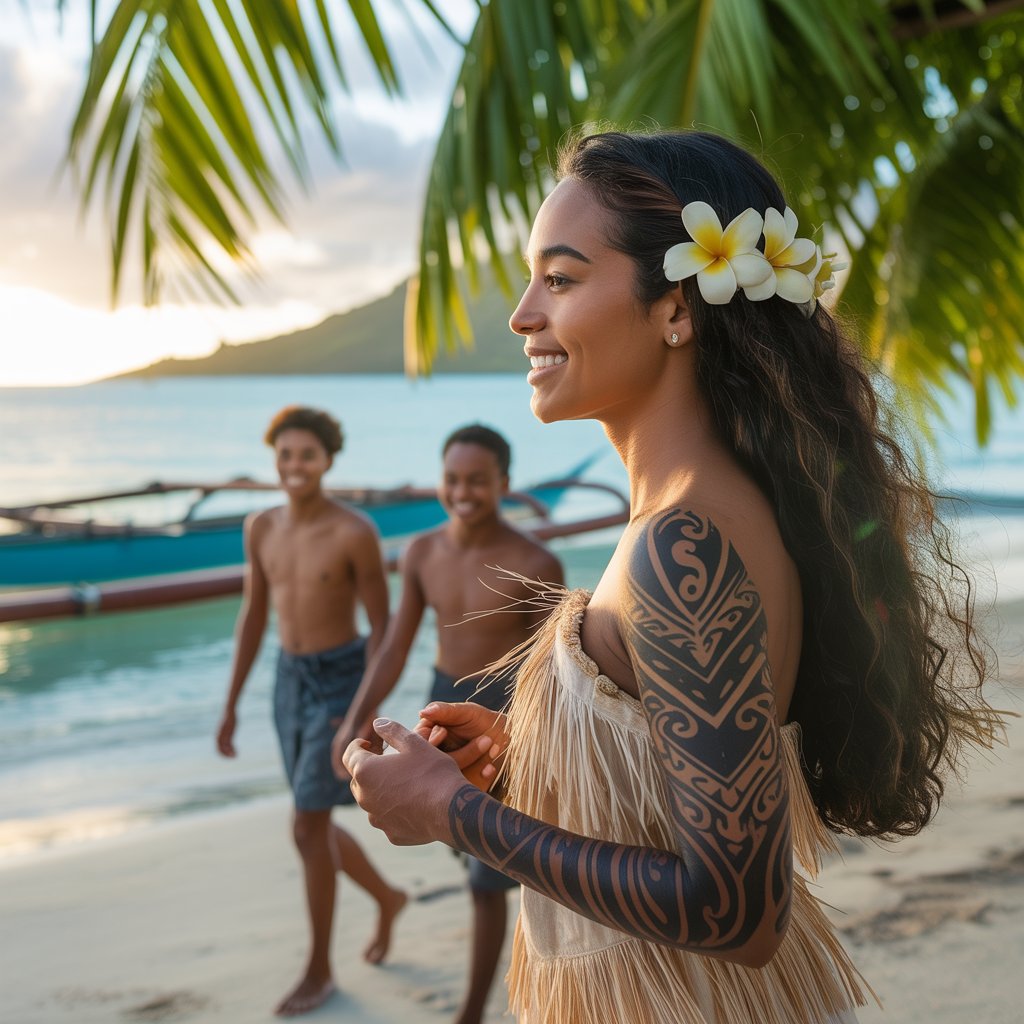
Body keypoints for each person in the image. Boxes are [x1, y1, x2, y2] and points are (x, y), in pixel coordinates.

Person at [340, 130, 1001, 1024]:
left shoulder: (685, 548)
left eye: (560, 279)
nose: (523, 314)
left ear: (676, 308)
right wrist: (542, 760)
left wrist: (449, 811)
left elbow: (736, 910)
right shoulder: (710, 513)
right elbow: (676, 776)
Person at [332, 423, 564, 1024]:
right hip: (439, 711)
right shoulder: (421, 552)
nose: (463, 492)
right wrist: (358, 721)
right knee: (472, 857)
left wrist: (531, 745)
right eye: (452, 479)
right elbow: (394, 647)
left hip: (503, 720)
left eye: (477, 480)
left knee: (491, 875)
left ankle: (471, 1013)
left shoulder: (535, 561)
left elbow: (554, 675)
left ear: (504, 483)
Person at [215, 405, 407, 1018]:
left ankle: (320, 968)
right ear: (274, 459)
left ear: (327, 461)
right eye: (285, 455)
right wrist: (231, 703)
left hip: (340, 681)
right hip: (288, 679)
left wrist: (361, 714)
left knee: (306, 824)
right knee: (312, 823)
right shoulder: (260, 527)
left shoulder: (354, 531)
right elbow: (254, 615)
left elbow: (382, 629)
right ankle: (388, 898)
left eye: (307, 455)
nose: (294, 466)